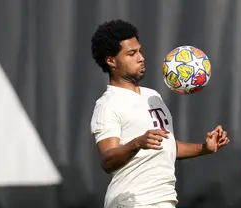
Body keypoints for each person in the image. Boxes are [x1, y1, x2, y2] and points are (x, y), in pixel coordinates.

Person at [90, 19, 230, 208]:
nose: (141, 58)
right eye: (131, 53)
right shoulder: (108, 104)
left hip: (163, 200)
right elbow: (107, 159)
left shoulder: (152, 96)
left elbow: (165, 145)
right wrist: (136, 143)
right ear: (111, 60)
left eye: (139, 50)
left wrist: (204, 148)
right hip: (133, 202)